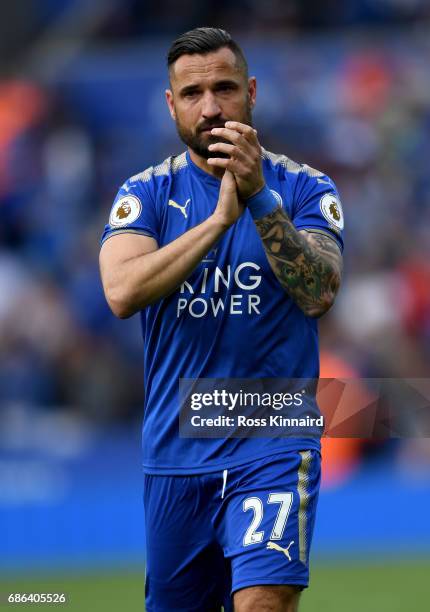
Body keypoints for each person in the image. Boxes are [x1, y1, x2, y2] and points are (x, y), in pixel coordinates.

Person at [99, 27, 344, 612]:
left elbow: (319, 292)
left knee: (265, 601)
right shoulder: (147, 194)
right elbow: (121, 291)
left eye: (225, 88)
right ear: (170, 104)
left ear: (252, 92)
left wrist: (259, 199)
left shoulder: (306, 188)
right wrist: (213, 225)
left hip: (274, 439)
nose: (210, 108)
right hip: (177, 451)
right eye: (192, 94)